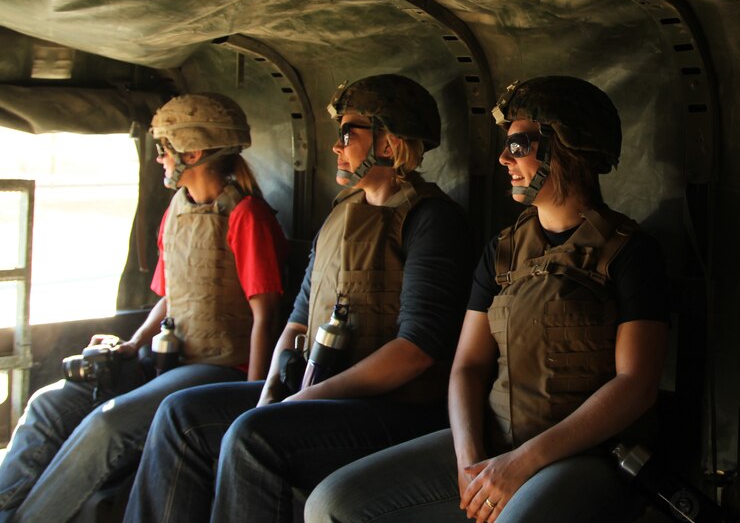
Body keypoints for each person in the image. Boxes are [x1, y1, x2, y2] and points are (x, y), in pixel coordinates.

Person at [305, 75, 670, 523]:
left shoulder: (630, 252)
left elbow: (635, 385)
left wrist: (523, 462)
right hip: (493, 446)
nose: (503, 158)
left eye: (519, 145)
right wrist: (468, 460)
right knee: (333, 504)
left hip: (585, 456)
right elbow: (468, 366)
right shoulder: (503, 250)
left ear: (568, 148)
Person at [124, 74, 475, 522]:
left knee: (256, 437)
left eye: (349, 134)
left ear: (389, 142)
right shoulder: (341, 213)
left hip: (394, 408)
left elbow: (416, 351)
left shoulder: (432, 222)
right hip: (317, 389)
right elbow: (299, 318)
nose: (337, 146)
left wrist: (302, 401)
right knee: (181, 414)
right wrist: (271, 390)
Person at [0, 93, 286, 523]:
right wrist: (133, 344)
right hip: (168, 355)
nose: (160, 160)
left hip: (218, 367)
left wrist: (252, 397)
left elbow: (266, 314)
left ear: (193, 153)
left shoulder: (247, 216)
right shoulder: (177, 209)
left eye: (164, 149)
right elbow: (171, 295)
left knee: (108, 425)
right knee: (50, 403)